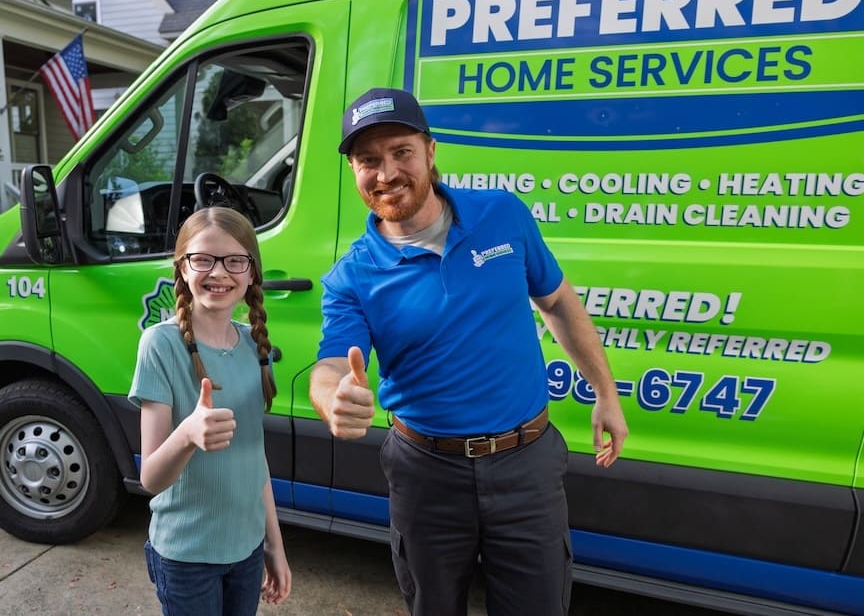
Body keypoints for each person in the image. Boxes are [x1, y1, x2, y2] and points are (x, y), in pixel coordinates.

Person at [309, 88, 629, 616]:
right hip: (426, 475)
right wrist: (331, 399)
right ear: (353, 170)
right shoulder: (352, 276)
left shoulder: (501, 214)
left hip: (526, 464)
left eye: (401, 152)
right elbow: (331, 365)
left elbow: (557, 301)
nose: (386, 173)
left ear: (430, 151)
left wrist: (606, 392)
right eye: (368, 160)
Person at [129, 206, 291, 615]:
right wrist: (187, 435)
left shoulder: (256, 347)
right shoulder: (160, 345)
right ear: (182, 268)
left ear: (252, 272)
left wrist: (274, 544)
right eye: (203, 259)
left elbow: (255, 459)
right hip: (187, 556)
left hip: (247, 549)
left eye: (235, 261)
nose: (219, 272)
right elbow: (151, 478)